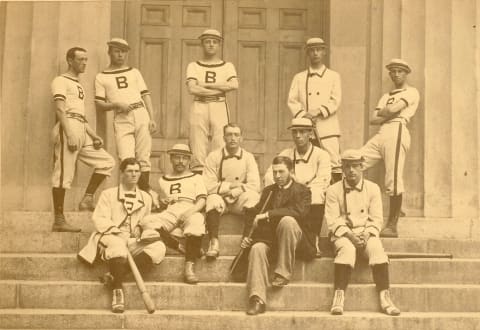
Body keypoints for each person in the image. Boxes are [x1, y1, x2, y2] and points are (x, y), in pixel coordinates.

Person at [78, 158, 166, 313]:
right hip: (109, 235)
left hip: (132, 238)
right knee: (118, 247)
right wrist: (117, 232)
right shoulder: (108, 194)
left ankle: (114, 275)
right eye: (130, 171)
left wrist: (141, 228)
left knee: (158, 247)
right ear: (122, 173)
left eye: (137, 171)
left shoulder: (146, 197)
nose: (134, 174)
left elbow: (146, 220)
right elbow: (99, 218)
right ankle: (117, 291)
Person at [325, 149, 400, 316]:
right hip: (343, 234)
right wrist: (351, 236)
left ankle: (385, 296)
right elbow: (333, 220)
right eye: (347, 166)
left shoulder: (373, 189)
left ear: (362, 167)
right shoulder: (333, 190)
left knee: (377, 249)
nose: (351, 170)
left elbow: (377, 218)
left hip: (365, 232)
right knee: (347, 249)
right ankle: (339, 295)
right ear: (342, 168)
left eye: (355, 166)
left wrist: (366, 235)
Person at [50, 47, 115, 232]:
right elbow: (61, 110)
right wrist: (69, 133)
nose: (84, 63)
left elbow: (81, 115)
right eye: (80, 59)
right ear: (70, 60)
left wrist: (93, 135)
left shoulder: (78, 84)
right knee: (63, 175)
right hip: (68, 126)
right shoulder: (60, 81)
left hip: (80, 127)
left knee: (106, 162)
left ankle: (87, 198)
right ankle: (59, 220)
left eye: (86, 59)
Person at [241, 156, 311, 315]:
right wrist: (246, 236)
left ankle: (282, 272)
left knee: (288, 221)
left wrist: (268, 214)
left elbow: (299, 213)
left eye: (281, 171)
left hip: (295, 241)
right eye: (274, 172)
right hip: (270, 240)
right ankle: (257, 299)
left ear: (291, 172)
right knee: (257, 248)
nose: (277, 175)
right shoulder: (268, 191)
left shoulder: (302, 190)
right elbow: (254, 214)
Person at [94, 38, 158, 207]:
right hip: (122, 117)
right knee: (127, 158)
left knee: (144, 157)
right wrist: (115, 104)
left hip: (140, 113)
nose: (120, 54)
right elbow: (99, 104)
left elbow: (146, 95)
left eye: (123, 51)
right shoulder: (101, 77)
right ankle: (136, 195)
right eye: (117, 51)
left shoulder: (134, 72)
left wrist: (152, 118)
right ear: (109, 52)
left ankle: (144, 197)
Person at [360, 59, 420, 237]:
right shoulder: (385, 95)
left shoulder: (411, 92)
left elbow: (393, 110)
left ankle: (392, 224)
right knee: (355, 161)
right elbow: (373, 119)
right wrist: (389, 111)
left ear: (406, 73)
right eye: (393, 71)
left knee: (392, 177)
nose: (396, 74)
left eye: (400, 71)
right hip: (382, 132)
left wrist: (386, 112)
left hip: (398, 129)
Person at [140, 144, 206, 284]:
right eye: (177, 157)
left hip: (190, 208)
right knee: (146, 222)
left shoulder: (196, 177)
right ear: (171, 159)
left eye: (184, 158)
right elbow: (161, 204)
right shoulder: (163, 180)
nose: (181, 161)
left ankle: (189, 267)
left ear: (189, 161)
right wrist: (163, 202)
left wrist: (191, 211)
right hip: (170, 211)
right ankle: (176, 245)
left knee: (196, 222)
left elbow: (202, 200)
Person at [264, 118, 330, 257]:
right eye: (295, 132)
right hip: (288, 195)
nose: (298, 136)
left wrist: (300, 189)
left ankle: (314, 239)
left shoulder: (321, 155)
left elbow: (323, 180)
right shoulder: (285, 153)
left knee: (317, 194)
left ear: (311, 134)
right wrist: (287, 188)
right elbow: (270, 175)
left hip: (308, 194)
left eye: (302, 132)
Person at [287, 37, 342, 183]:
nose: (315, 53)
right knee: (308, 161)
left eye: (319, 50)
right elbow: (292, 101)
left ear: (324, 52)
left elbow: (335, 100)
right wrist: (304, 117)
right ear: (307, 53)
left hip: (327, 126)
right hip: (305, 128)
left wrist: (317, 111)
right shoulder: (299, 77)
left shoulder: (333, 76)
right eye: (312, 50)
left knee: (333, 163)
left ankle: (333, 201)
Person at [203, 123, 260, 259]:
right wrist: (230, 187)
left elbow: (255, 185)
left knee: (252, 197)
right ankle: (214, 242)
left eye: (236, 135)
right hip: (220, 199)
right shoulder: (213, 156)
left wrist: (237, 191)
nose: (233, 138)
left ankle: (246, 239)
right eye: (229, 135)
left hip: (238, 201)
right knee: (211, 199)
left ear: (241, 138)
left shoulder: (248, 157)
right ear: (223, 137)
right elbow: (208, 185)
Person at [186, 29, 239, 173]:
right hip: (199, 104)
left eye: (214, 42)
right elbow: (193, 89)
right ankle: (198, 180)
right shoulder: (194, 65)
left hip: (219, 104)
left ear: (219, 45)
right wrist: (221, 88)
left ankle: (218, 178)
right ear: (202, 44)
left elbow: (234, 85)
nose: (211, 45)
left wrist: (206, 85)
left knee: (220, 141)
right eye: (207, 42)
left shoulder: (227, 66)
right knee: (197, 142)